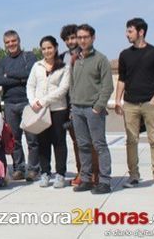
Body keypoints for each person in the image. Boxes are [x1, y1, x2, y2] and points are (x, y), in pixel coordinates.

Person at [116, 18, 154, 189]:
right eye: (127, 31)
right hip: (130, 104)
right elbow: (122, 79)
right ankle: (133, 176)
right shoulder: (124, 54)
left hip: (149, 103)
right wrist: (118, 100)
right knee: (131, 141)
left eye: (130, 31)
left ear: (141, 32)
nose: (127, 34)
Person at [70, 24, 114, 195]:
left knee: (100, 145)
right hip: (77, 109)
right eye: (79, 37)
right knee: (83, 145)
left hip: (93, 110)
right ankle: (86, 179)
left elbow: (107, 86)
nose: (82, 40)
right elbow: (72, 84)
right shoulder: (75, 59)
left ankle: (104, 181)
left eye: (85, 37)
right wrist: (73, 105)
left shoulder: (101, 59)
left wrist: (98, 107)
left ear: (93, 38)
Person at [26, 36, 70, 189]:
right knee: (42, 142)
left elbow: (63, 89)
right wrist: (33, 102)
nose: (47, 51)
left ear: (56, 48)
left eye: (49, 48)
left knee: (59, 142)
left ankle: (61, 174)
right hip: (39, 110)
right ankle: (45, 173)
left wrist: (43, 101)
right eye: (44, 48)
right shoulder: (37, 66)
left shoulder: (64, 67)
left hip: (58, 109)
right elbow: (30, 85)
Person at [0, 30, 38, 181]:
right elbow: (0, 80)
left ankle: (33, 169)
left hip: (27, 102)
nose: (11, 44)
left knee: (32, 139)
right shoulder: (2, 62)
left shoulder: (29, 56)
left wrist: (10, 75)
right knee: (15, 139)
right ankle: (19, 168)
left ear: (19, 41)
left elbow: (31, 74)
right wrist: (20, 78)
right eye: (7, 42)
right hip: (10, 104)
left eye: (13, 41)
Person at [59, 23, 97, 186]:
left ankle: (96, 173)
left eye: (73, 37)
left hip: (86, 102)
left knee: (92, 141)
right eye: (67, 39)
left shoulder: (89, 55)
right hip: (68, 104)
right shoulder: (61, 58)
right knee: (77, 141)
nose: (70, 41)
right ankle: (82, 172)